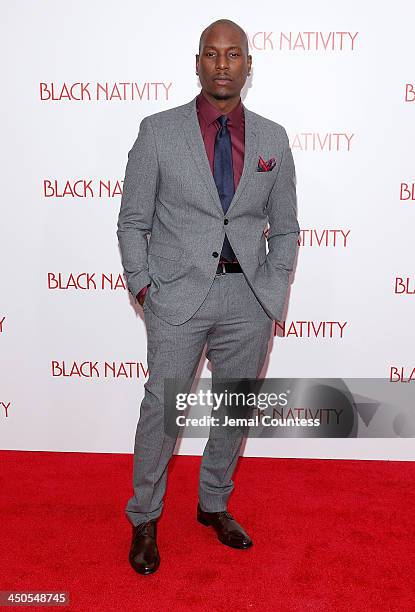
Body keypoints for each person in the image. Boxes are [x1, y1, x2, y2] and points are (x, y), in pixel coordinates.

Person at [116, 18, 300, 575]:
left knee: (234, 409)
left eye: (234, 55)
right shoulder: (158, 131)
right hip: (177, 300)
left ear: (249, 64)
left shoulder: (272, 138)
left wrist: (273, 283)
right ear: (197, 62)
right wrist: (144, 286)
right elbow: (132, 222)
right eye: (212, 55)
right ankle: (145, 516)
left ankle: (213, 503)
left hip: (247, 300)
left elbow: (286, 226)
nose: (223, 65)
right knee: (162, 412)